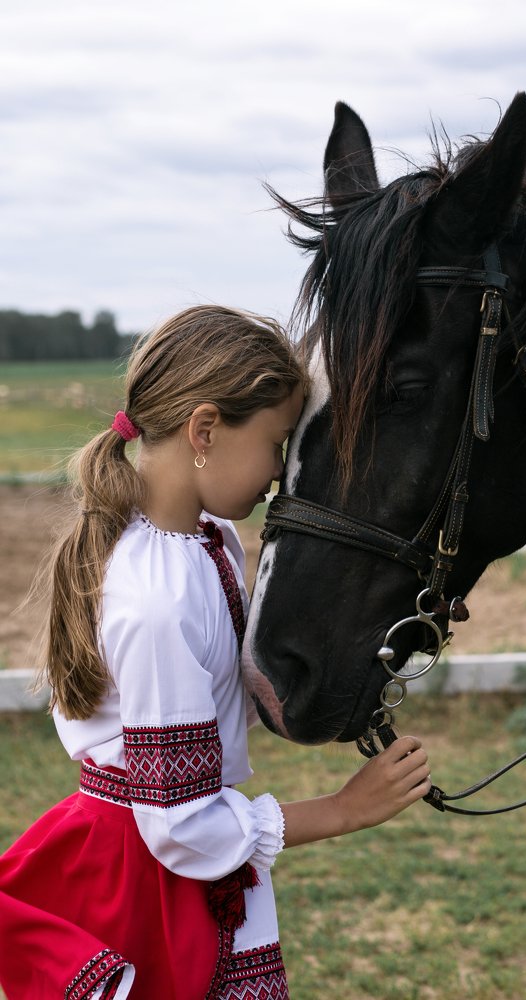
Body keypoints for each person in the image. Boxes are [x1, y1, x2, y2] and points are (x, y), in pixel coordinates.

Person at [0, 305, 431, 999]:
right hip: (145, 881)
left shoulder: (208, 540)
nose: (281, 472)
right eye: (277, 443)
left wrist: (385, 634)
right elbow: (179, 825)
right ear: (204, 431)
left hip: (170, 856)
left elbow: (225, 699)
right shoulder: (154, 600)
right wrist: (343, 809)